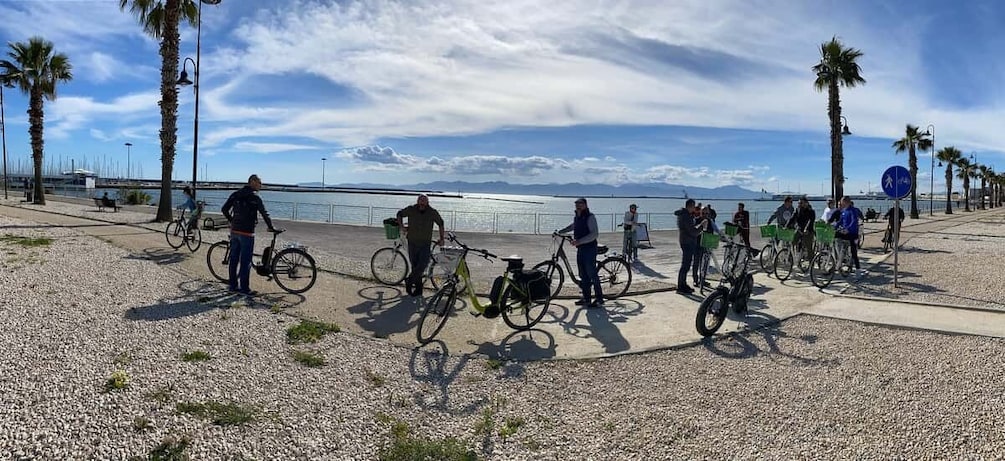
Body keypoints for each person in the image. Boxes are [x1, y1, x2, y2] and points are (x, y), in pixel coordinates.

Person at [221, 174, 276, 296]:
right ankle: (244, 288)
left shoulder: (236, 194)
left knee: (234, 259)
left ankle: (232, 286)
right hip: (247, 232)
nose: (261, 185)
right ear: (252, 182)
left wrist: (232, 221)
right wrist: (271, 227)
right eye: (259, 182)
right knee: (245, 261)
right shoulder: (255, 197)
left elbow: (224, 209)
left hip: (235, 231)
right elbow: (264, 213)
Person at [557, 198, 604, 308]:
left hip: (589, 248)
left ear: (585, 205)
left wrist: (579, 241)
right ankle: (586, 298)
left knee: (592, 274)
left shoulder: (590, 217)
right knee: (583, 275)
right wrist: (560, 231)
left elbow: (594, 234)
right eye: (576, 204)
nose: (578, 206)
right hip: (581, 249)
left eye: (580, 204)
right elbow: (573, 226)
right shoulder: (577, 217)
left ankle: (599, 299)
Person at [396, 194, 445, 297]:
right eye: (420, 200)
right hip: (412, 242)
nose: (422, 202)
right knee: (415, 266)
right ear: (417, 201)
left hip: (425, 243)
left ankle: (409, 281)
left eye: (424, 200)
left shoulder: (432, 212)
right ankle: (419, 290)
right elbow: (399, 214)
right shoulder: (411, 209)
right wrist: (401, 227)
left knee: (423, 264)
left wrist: (442, 238)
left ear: (427, 202)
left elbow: (441, 223)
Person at [674, 199, 700, 294]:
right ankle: (681, 286)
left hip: (686, 241)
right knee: (685, 265)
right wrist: (701, 226)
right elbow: (692, 231)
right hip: (687, 242)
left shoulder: (686, 215)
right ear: (689, 206)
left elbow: (691, 228)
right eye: (693, 206)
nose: (694, 208)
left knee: (686, 265)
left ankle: (683, 284)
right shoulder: (685, 216)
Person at [833, 196, 861, 274]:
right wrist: (834, 227)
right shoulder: (844, 211)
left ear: (846, 202)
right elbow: (840, 221)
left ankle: (858, 271)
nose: (841, 204)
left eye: (842, 202)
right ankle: (840, 258)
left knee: (854, 252)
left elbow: (854, 221)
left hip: (853, 233)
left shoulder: (853, 210)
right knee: (836, 237)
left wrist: (847, 229)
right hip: (845, 232)